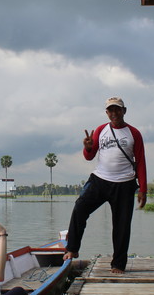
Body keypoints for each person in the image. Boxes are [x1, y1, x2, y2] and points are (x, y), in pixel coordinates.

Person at [63, 97, 147, 273]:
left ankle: (118, 264)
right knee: (80, 207)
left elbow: (140, 162)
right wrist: (87, 147)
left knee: (122, 226)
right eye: (111, 110)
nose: (114, 113)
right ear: (107, 113)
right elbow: (89, 156)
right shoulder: (101, 130)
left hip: (124, 184)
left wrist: (143, 190)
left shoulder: (134, 133)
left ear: (124, 111)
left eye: (118, 110)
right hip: (100, 180)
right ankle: (72, 248)